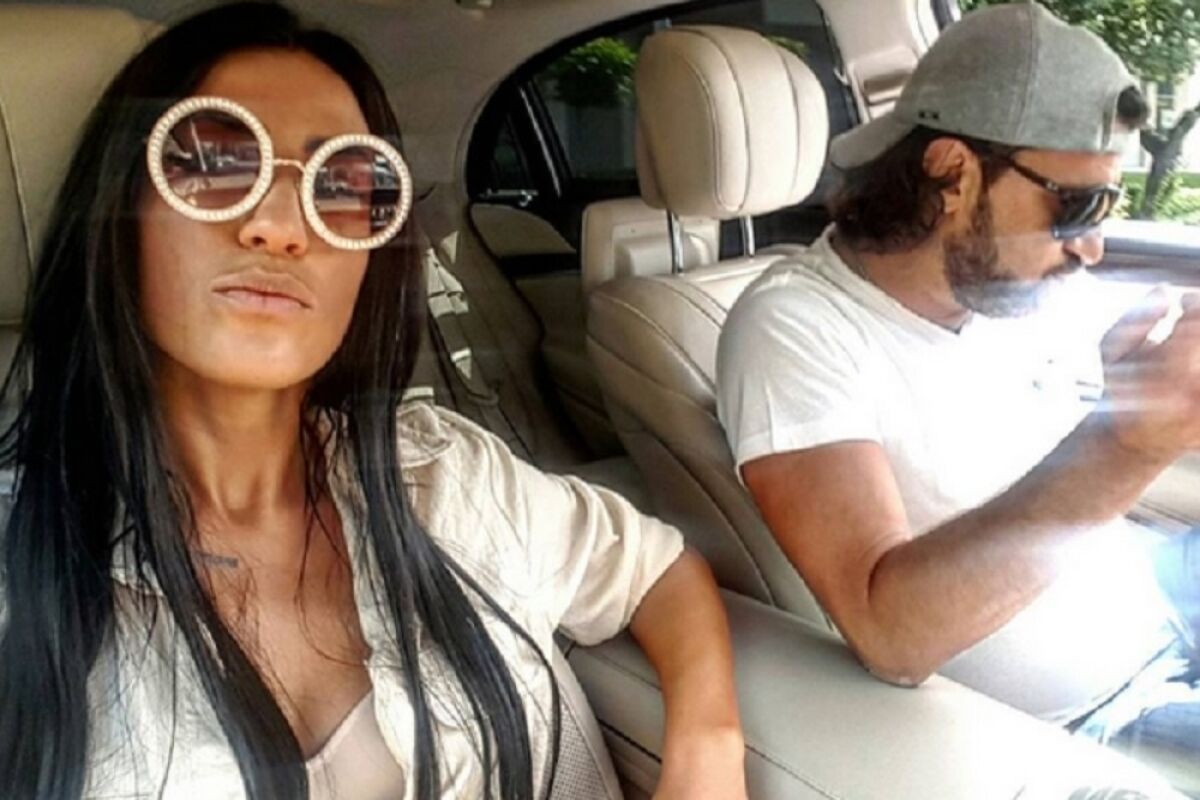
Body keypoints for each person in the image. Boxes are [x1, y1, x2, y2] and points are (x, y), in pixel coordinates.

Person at [0, 3, 746, 799]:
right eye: (215, 161)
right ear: (120, 214)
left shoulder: (443, 472)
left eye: (344, 183)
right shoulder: (22, 559)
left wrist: (708, 749)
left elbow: (656, 570)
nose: (282, 226)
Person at [717, 0, 1198, 787]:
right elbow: (888, 634)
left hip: (1160, 608)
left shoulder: (1007, 289)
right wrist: (1126, 445)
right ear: (950, 173)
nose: (1091, 245)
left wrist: (1141, 402)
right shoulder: (795, 329)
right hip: (1095, 716)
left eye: (1107, 205)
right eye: (1075, 205)